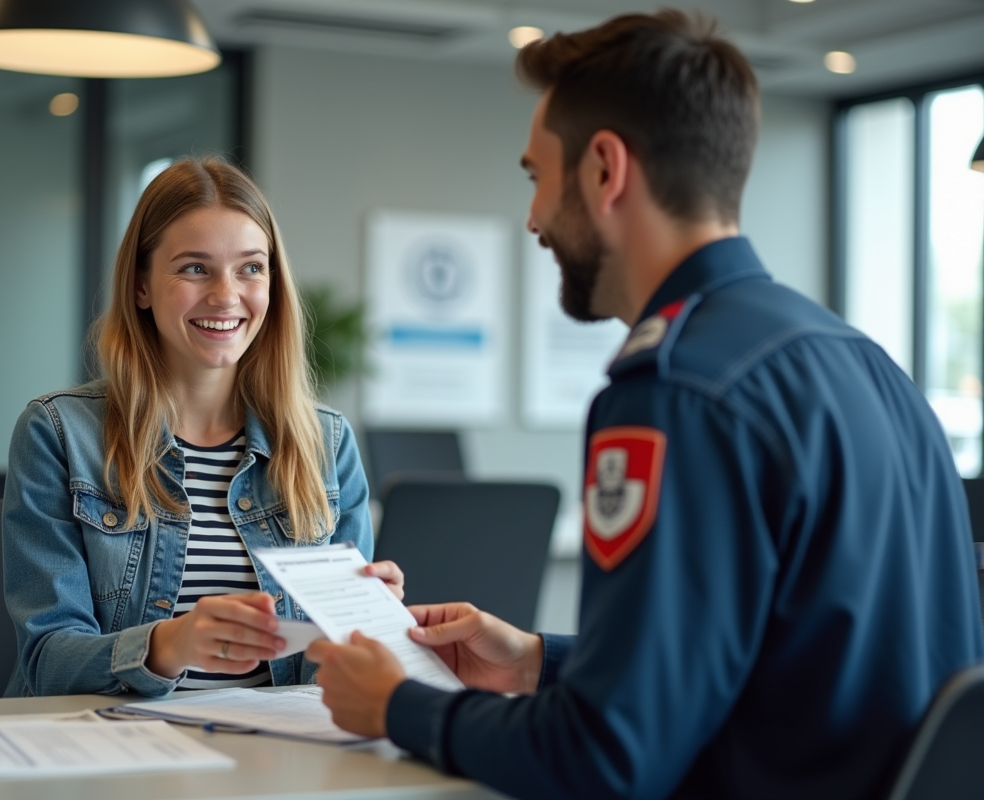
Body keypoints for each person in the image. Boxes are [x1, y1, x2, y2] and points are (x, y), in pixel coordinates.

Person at [307, 11, 984, 799]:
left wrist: (398, 707)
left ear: (604, 169)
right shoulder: (866, 365)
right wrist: (537, 661)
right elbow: (777, 673)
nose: (532, 219)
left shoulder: (674, 391)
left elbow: (603, 760)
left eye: (536, 177)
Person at [2, 157, 399, 697]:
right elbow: (48, 662)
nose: (225, 295)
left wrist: (366, 626)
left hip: (273, 755)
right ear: (141, 285)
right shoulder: (59, 433)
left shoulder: (325, 444)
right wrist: (170, 644)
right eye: (194, 268)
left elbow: (328, 671)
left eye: (250, 268)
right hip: (113, 750)